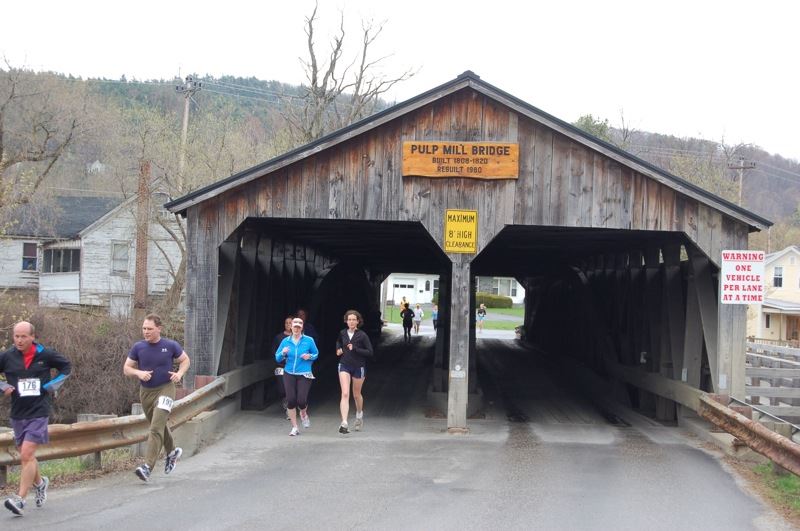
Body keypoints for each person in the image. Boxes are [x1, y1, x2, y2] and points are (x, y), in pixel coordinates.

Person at [1, 321, 71, 517]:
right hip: (18, 413)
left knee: (26, 454)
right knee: (27, 455)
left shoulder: (46, 355)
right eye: (16, 336)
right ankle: (40, 484)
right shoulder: (7, 356)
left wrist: (51, 386)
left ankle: (20, 499)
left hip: (39, 411)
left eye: (24, 336)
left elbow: (67, 367)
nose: (20, 340)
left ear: (33, 337)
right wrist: (3, 387)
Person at [124, 313, 190, 482]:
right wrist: (139, 372)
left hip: (166, 389)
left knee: (154, 428)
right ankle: (173, 451)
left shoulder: (170, 345)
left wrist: (179, 374)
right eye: (144, 328)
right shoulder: (138, 347)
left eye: (150, 329)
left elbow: (185, 360)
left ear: (159, 329)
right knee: (158, 424)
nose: (146, 332)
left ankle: (147, 467)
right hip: (146, 392)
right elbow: (127, 368)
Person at [275, 317, 319, 436]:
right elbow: (277, 357)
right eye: (295, 326)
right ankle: (295, 427)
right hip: (289, 372)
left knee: (301, 400)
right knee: (290, 400)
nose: (296, 328)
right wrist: (283, 352)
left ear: (302, 328)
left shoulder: (309, 340)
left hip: (304, 373)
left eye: (299, 326)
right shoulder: (285, 341)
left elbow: (316, 354)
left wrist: (309, 356)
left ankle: (303, 413)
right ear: (291, 327)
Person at [335, 310, 373, 434]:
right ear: (346, 321)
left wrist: (355, 349)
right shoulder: (342, 333)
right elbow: (339, 342)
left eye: (353, 319)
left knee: (356, 394)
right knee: (345, 393)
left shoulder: (362, 335)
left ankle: (359, 415)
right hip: (344, 364)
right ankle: (344, 423)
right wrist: (338, 349)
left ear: (358, 321)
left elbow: (370, 352)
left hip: (358, 366)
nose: (351, 322)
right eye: (349, 319)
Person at [271, 315, 294, 420]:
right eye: (286, 323)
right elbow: (274, 351)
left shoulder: (298, 337)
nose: (288, 325)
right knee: (282, 388)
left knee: (291, 388)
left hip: (293, 367)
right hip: (280, 366)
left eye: (290, 323)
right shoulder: (278, 337)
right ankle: (285, 400)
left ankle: (289, 410)